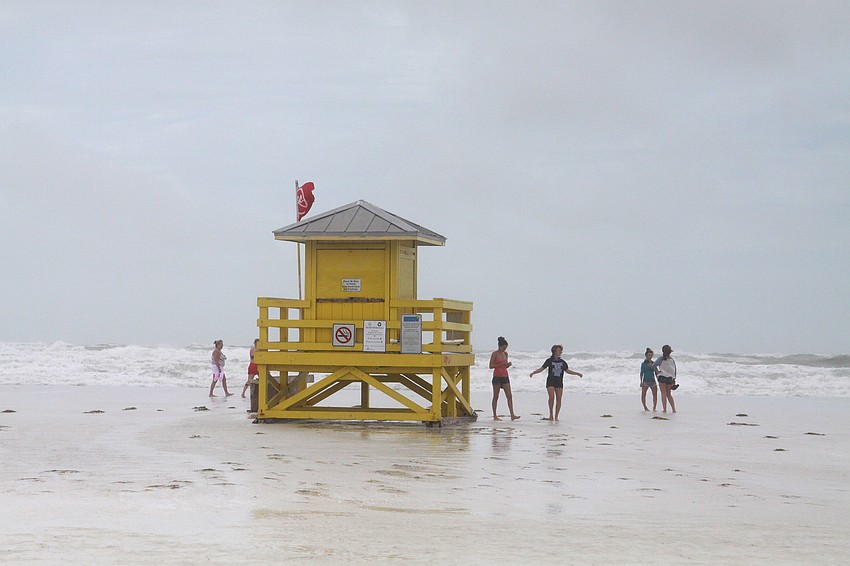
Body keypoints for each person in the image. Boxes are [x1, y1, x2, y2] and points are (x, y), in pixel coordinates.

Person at [529, 344, 583, 421]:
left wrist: (577, 373)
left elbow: (567, 370)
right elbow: (542, 368)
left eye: (561, 350)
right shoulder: (549, 361)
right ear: (554, 351)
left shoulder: (563, 362)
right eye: (559, 350)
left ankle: (556, 416)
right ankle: (551, 414)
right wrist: (534, 372)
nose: (560, 352)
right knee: (551, 397)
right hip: (550, 381)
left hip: (559, 382)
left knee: (559, 398)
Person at [489, 336, 520, 421]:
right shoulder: (494, 354)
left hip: (505, 376)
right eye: (503, 347)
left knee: (509, 396)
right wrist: (500, 365)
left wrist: (507, 365)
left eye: (505, 348)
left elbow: (505, 366)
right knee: (496, 396)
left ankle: (512, 415)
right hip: (497, 376)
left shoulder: (505, 354)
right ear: (499, 346)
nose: (504, 349)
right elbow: (491, 366)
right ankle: (495, 415)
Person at [655, 344, 677, 413]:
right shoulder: (672, 360)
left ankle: (664, 409)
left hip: (662, 377)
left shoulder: (660, 359)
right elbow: (674, 370)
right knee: (669, 395)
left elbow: (654, 365)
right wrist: (674, 379)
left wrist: (657, 371)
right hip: (669, 378)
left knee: (663, 394)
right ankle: (673, 409)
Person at [640, 347, 658, 411]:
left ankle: (654, 407)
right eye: (648, 355)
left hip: (653, 381)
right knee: (643, 395)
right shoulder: (643, 364)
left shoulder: (654, 363)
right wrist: (641, 381)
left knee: (655, 395)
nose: (650, 357)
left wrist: (658, 379)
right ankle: (645, 407)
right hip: (645, 381)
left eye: (651, 355)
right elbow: (641, 373)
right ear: (646, 356)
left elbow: (656, 372)